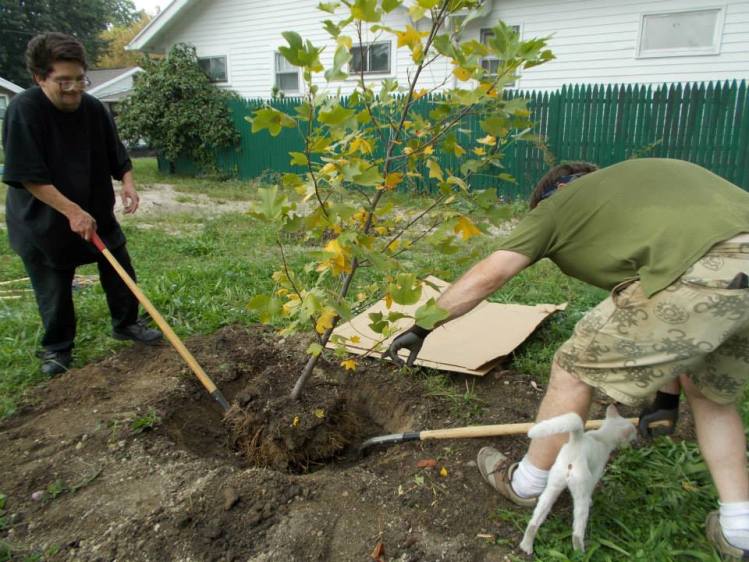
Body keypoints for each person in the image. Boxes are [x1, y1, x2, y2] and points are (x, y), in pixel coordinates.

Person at [387, 158, 749, 560]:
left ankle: (527, 484)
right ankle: (739, 530)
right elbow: (677, 319)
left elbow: (493, 271)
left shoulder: (558, 205)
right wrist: (666, 400)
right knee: (712, 397)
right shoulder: (644, 185)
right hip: (734, 263)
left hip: (707, 270)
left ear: (549, 194)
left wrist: (422, 325)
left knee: (573, 368)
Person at [2, 32, 162, 376]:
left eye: (79, 79)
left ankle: (126, 324)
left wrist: (129, 184)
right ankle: (57, 349)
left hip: (95, 212)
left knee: (120, 269)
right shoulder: (24, 111)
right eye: (63, 81)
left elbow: (115, 152)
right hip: (42, 220)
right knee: (54, 287)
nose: (74, 88)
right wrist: (72, 211)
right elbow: (29, 175)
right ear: (39, 78)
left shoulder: (92, 108)